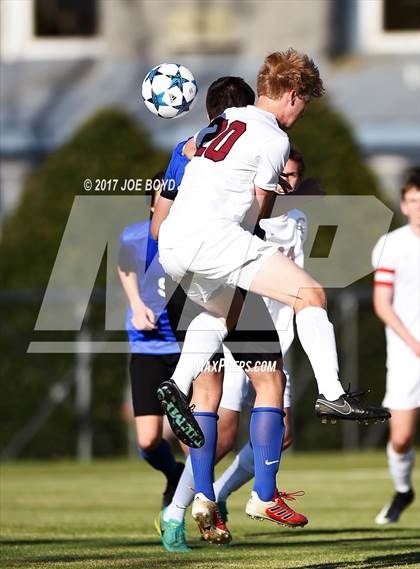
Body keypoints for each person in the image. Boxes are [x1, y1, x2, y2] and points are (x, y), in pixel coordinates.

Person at [157, 49, 389, 531]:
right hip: (213, 239)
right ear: (291, 94)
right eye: (302, 103)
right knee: (310, 295)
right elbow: (257, 213)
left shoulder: (220, 123)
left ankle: (177, 386)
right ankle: (331, 393)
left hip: (175, 244)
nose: (300, 113)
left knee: (222, 314)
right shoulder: (272, 137)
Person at [159, 147, 310, 551]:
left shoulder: (296, 221)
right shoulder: (236, 199)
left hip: (263, 323)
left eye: (292, 175)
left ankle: (215, 496)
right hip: (228, 311)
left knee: (281, 433)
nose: (285, 181)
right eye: (281, 172)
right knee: (223, 430)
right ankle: (181, 509)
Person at [117, 178, 185, 512]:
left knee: (193, 436)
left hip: (189, 348)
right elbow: (124, 266)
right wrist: (135, 304)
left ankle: (201, 504)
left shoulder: (195, 236)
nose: (171, 203)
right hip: (148, 347)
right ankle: (174, 475)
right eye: (165, 197)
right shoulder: (134, 236)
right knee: (147, 440)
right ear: (151, 205)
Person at [372, 170, 420, 525]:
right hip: (407, 353)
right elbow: (382, 304)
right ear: (404, 204)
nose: (418, 208)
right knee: (401, 437)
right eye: (413, 201)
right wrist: (414, 343)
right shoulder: (392, 244)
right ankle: (403, 490)